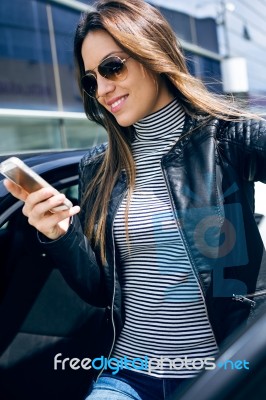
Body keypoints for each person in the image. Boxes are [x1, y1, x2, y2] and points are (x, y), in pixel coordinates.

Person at [4, 0, 266, 399]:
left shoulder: (228, 140)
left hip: (221, 376)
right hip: (127, 376)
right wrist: (60, 233)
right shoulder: (99, 167)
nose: (103, 89)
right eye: (91, 79)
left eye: (112, 67)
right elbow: (99, 291)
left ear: (153, 55)